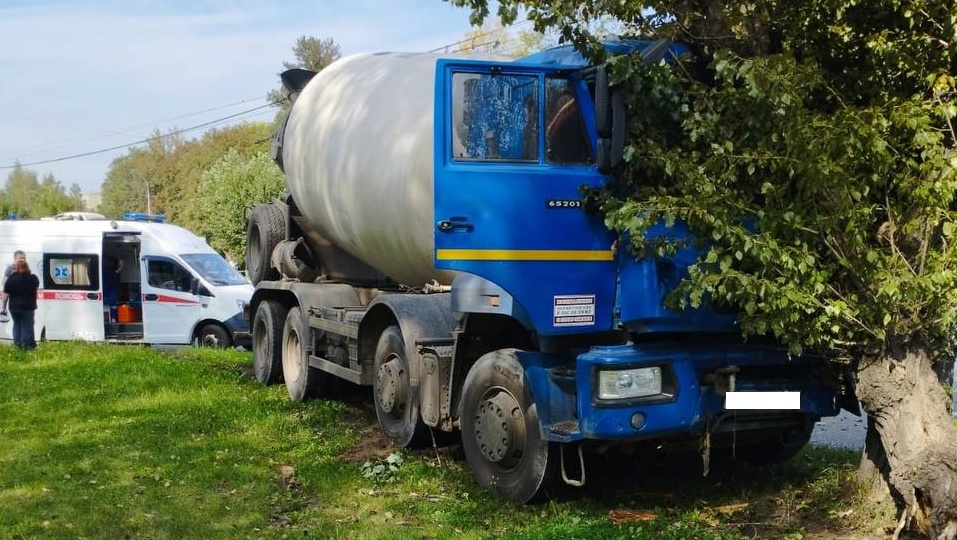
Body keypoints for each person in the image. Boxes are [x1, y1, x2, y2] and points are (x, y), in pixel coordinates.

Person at [1, 258, 40, 350]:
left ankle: (17, 346)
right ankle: (25, 349)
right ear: (27, 267)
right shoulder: (33, 278)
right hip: (28, 307)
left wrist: (3, 307)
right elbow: (36, 287)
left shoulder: (11, 279)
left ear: (16, 268)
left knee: (16, 325)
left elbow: (5, 295)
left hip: (14, 307)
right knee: (26, 328)